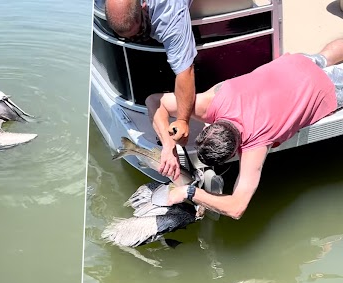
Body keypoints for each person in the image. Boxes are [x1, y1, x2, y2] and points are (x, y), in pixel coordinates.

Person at [145, 38, 343, 220]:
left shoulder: (255, 144)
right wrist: (167, 146)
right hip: (294, 65)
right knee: (324, 57)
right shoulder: (212, 101)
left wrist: (189, 192)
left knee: (333, 74)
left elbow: (237, 208)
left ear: (235, 151)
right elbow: (154, 100)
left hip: (321, 87)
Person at [104, 0, 197, 178]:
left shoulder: (169, 14)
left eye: (138, 31)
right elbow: (153, 102)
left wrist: (183, 120)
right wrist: (168, 146)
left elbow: (186, 72)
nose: (134, 39)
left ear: (144, 6)